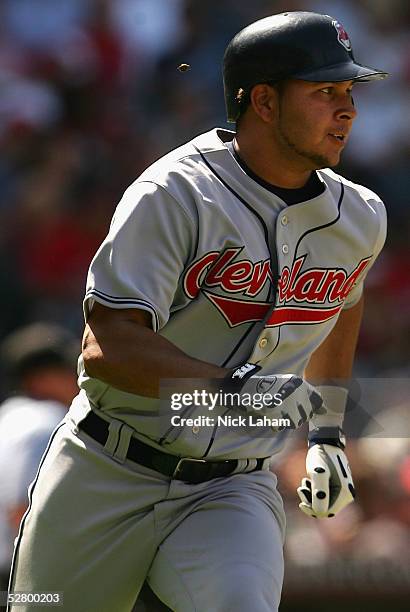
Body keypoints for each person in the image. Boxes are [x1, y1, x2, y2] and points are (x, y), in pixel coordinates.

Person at [8, 12, 388, 612]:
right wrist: (230, 391)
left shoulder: (360, 215)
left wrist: (326, 433)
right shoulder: (176, 193)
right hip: (109, 467)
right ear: (263, 101)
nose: (348, 110)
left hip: (233, 486)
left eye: (347, 93)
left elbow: (344, 301)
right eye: (324, 93)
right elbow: (107, 348)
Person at [0, 323, 78, 595]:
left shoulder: (9, 416)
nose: (78, 378)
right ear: (39, 379)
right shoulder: (47, 423)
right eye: (69, 370)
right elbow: (22, 510)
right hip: (20, 573)